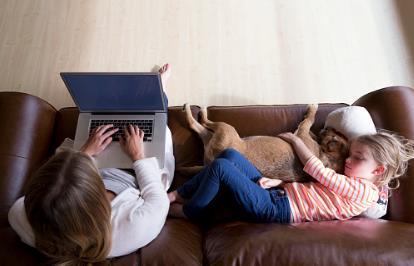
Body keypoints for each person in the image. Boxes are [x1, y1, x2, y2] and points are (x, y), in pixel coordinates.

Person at [8, 63, 175, 264]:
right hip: (134, 176)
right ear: (94, 202)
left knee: (101, 121)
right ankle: (159, 91)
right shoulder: (132, 228)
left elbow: (22, 204)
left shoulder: (24, 218)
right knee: (154, 120)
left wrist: (85, 152)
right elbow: (158, 199)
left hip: (99, 165)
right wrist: (138, 155)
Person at [168, 130, 414, 224]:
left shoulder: (365, 191)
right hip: (278, 194)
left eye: (358, 158)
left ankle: (190, 209)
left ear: (378, 170)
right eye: (350, 155)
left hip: (277, 209)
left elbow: (318, 172)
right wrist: (282, 182)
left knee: (221, 167)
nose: (348, 160)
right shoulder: (352, 183)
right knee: (230, 155)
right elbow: (315, 191)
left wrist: (297, 140)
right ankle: (178, 195)